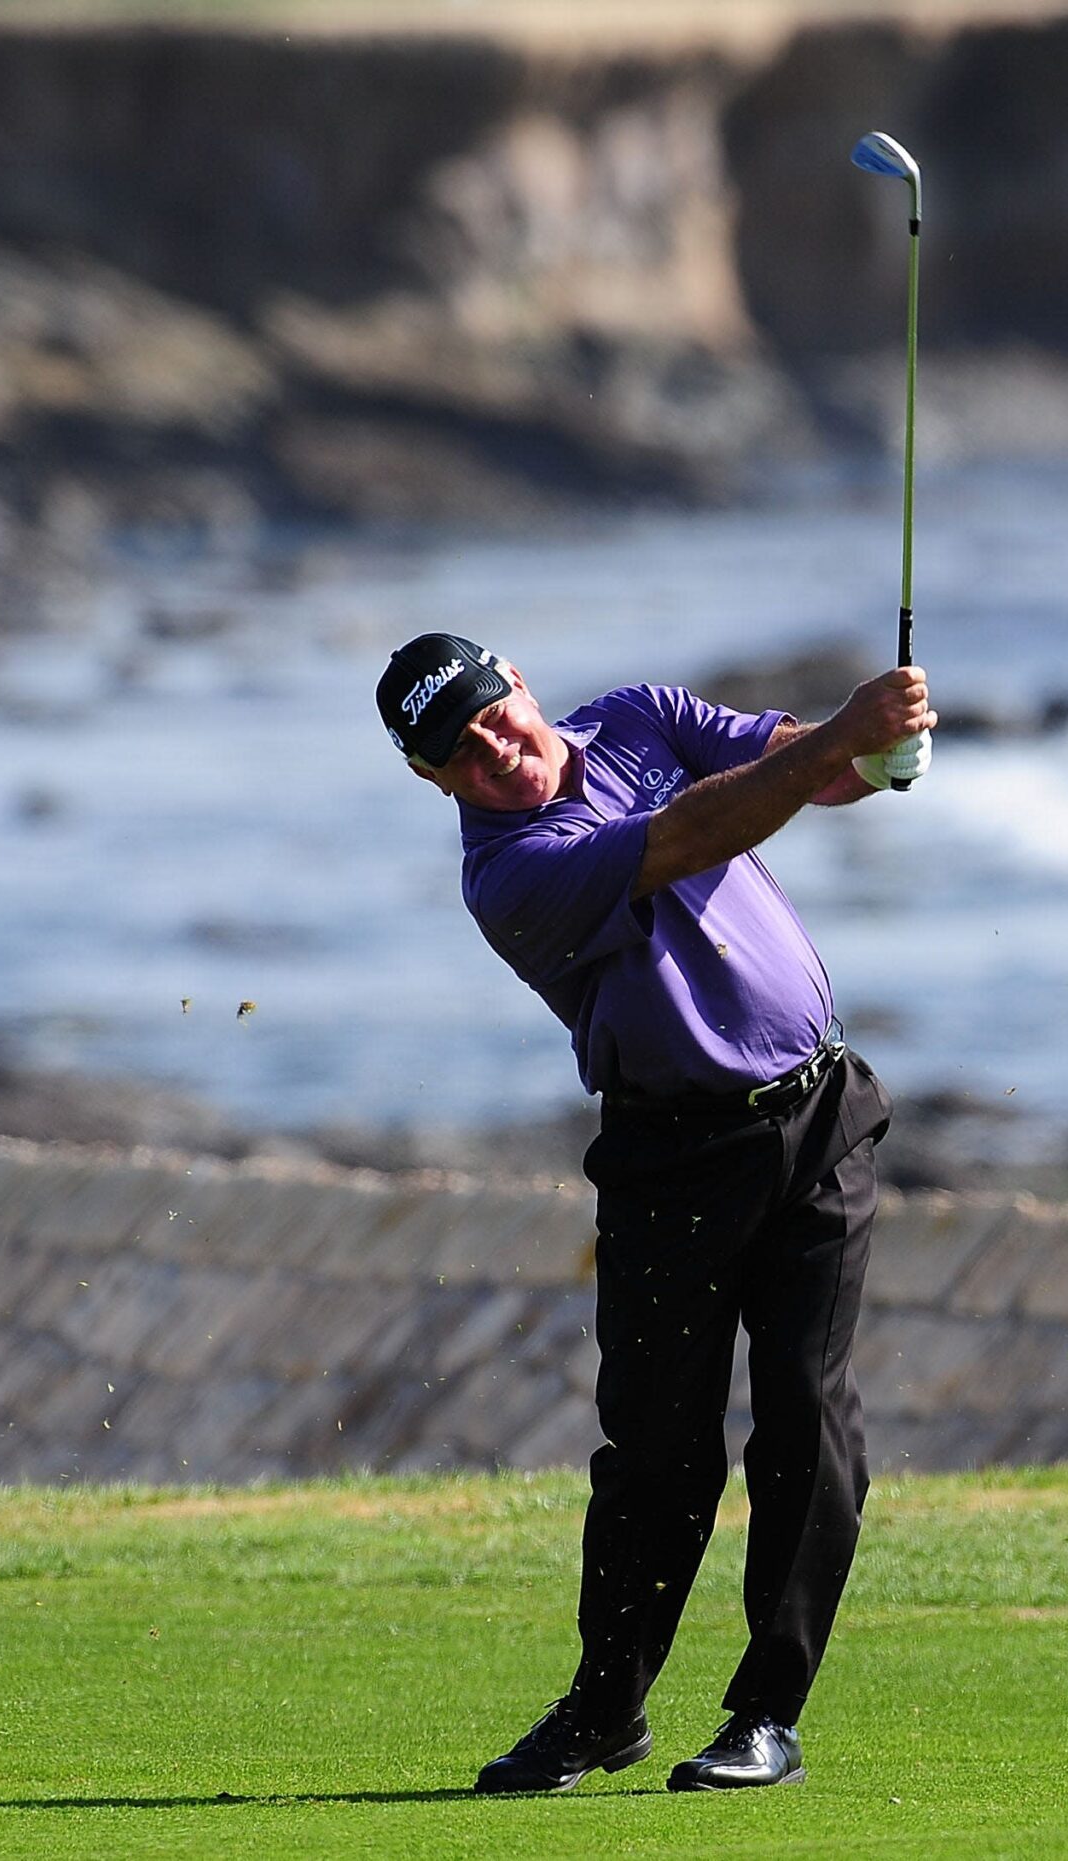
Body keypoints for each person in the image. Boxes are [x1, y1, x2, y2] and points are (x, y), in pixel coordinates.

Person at [374, 631, 934, 1794]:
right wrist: (843, 730)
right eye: (458, 755)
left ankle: (766, 1712)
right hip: (671, 1159)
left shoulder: (636, 717)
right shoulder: (511, 874)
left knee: (805, 1407)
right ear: (429, 781)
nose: (493, 751)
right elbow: (694, 833)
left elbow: (797, 768)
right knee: (659, 1453)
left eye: (491, 715)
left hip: (821, 1113)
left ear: (518, 681)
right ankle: (603, 1711)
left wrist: (876, 753)